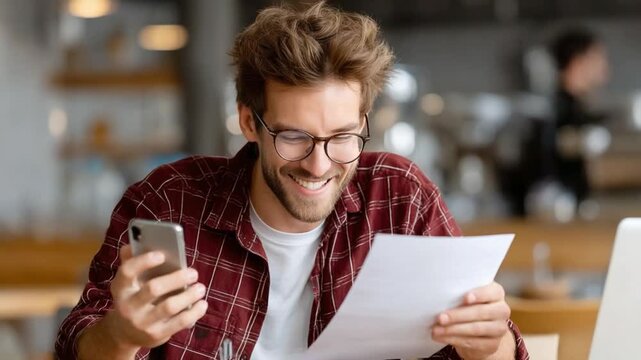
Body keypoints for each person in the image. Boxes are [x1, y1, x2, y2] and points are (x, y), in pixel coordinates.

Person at [56, 2, 528, 359]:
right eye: (294, 137)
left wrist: (491, 347)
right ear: (247, 122)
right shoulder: (169, 200)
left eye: (342, 137)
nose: (319, 165)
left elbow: (489, 348)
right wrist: (121, 337)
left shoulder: (401, 198)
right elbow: (76, 343)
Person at [543, 27, 609, 205]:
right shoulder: (556, 111)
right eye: (597, 57)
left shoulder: (578, 108)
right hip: (561, 205)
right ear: (577, 62)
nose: (604, 65)